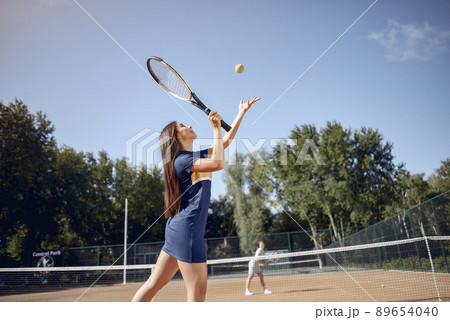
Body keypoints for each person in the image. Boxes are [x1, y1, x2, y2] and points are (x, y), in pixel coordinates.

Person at [132, 97, 260, 302]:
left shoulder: (190, 157)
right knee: (197, 296)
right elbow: (218, 163)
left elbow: (224, 143)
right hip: (188, 231)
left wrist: (241, 113)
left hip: (178, 229)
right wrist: (216, 128)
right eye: (183, 126)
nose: (189, 125)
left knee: (154, 284)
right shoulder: (183, 161)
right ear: (176, 137)